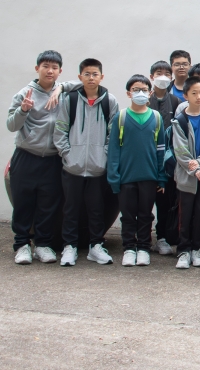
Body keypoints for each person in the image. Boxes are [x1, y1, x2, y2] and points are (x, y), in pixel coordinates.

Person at [54, 58, 118, 266]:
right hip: (72, 167)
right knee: (70, 209)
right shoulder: (70, 100)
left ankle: (96, 246)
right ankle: (69, 247)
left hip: (97, 168)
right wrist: (68, 154)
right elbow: (60, 129)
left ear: (102, 76)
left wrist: (104, 156)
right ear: (80, 77)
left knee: (96, 209)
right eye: (87, 74)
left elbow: (113, 135)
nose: (91, 78)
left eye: (95, 74)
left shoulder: (110, 101)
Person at [8, 50, 66, 265]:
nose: (50, 71)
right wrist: (23, 110)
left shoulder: (64, 94)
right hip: (26, 156)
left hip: (52, 159)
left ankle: (43, 244)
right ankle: (22, 245)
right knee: (23, 203)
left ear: (60, 71)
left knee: (48, 204)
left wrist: (61, 87)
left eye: (54, 67)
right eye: (45, 66)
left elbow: (82, 83)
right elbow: (11, 125)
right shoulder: (25, 93)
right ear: (37, 68)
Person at [106, 75, 166, 267]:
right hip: (126, 178)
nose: (140, 93)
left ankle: (144, 248)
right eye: (135, 89)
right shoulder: (121, 117)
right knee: (128, 215)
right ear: (128, 93)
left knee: (146, 215)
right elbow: (113, 149)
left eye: (144, 90)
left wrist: (161, 177)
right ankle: (129, 248)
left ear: (150, 92)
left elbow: (161, 149)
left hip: (149, 177)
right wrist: (114, 177)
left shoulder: (156, 118)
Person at [172, 76, 200, 269]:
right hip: (186, 177)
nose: (198, 96)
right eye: (194, 93)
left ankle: (197, 249)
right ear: (185, 95)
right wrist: (194, 168)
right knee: (185, 214)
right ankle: (183, 250)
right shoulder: (179, 120)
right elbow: (180, 151)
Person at [148, 60, 182, 256]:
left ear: (171, 78)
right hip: (145, 158)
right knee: (143, 201)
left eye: (166, 74)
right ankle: (142, 237)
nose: (162, 77)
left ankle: (162, 238)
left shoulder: (175, 101)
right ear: (151, 77)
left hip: (167, 161)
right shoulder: (144, 98)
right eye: (158, 73)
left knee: (164, 202)